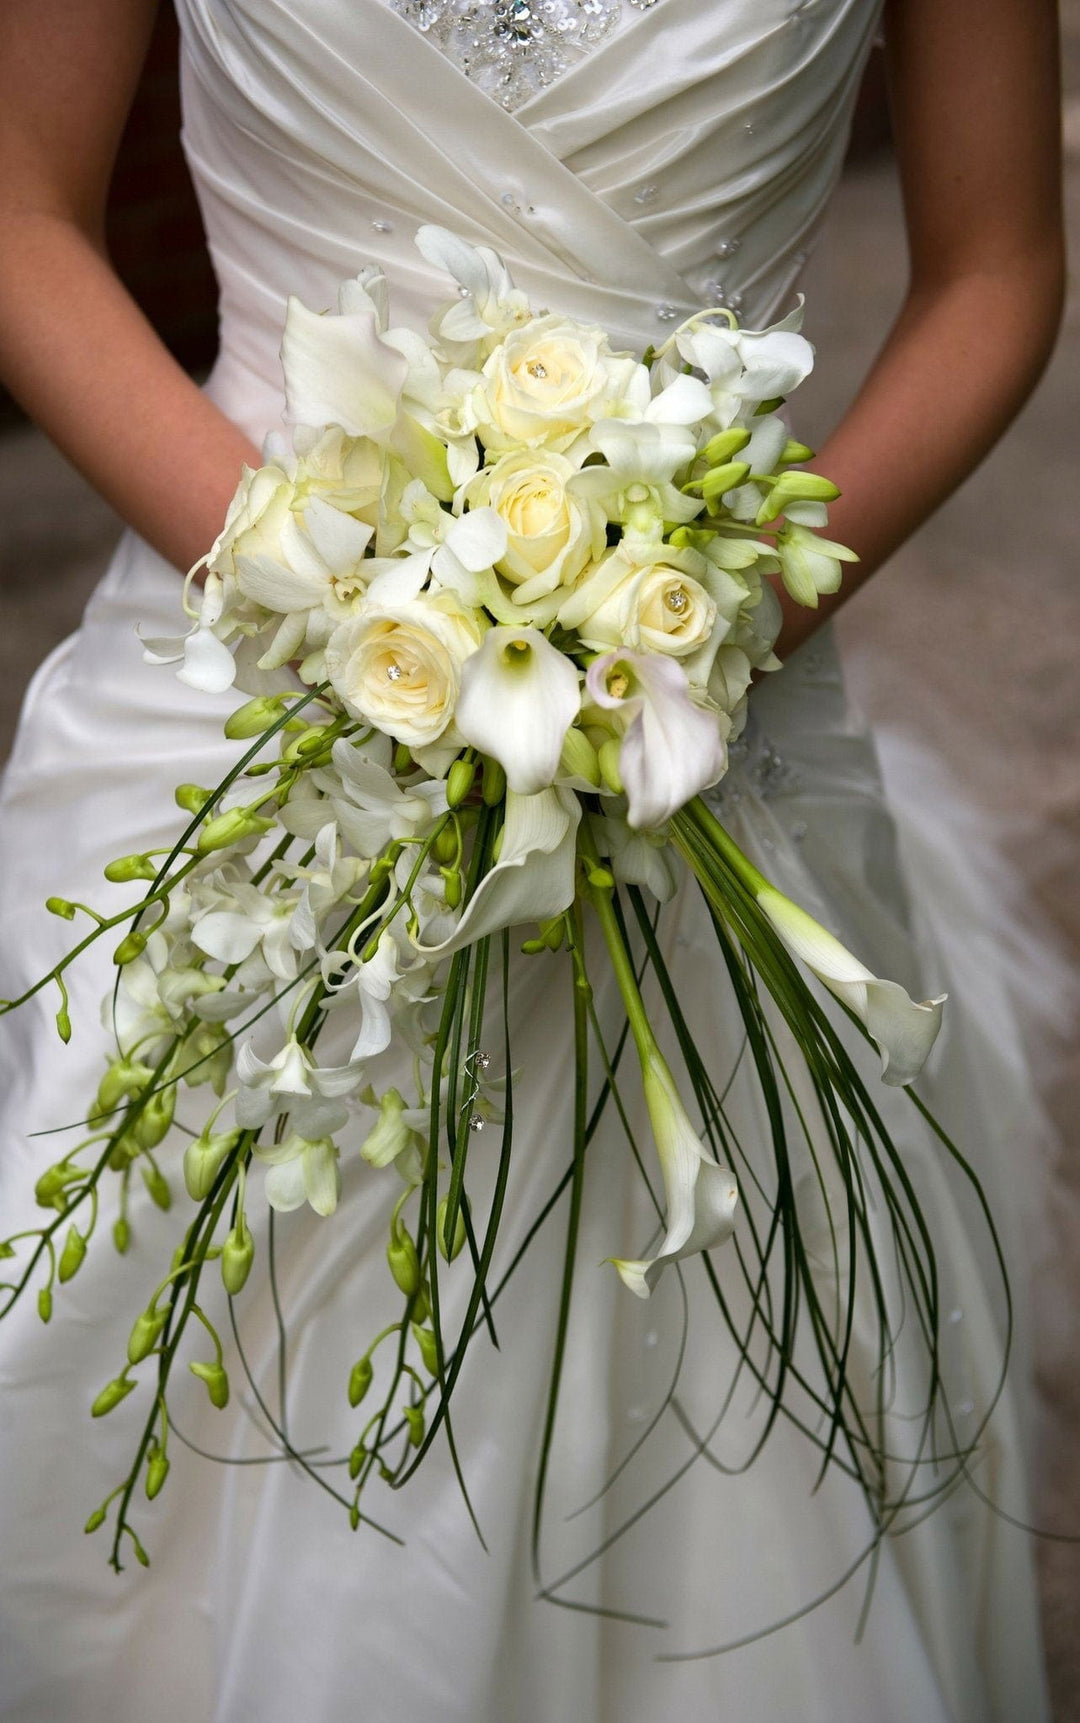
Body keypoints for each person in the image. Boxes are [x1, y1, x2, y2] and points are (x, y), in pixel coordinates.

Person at [0, 1, 1065, 1719]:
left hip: (707, 708)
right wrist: (339, 608)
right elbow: (20, 208)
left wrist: (706, 636)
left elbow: (999, 263)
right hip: (238, 673)